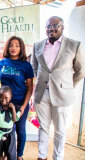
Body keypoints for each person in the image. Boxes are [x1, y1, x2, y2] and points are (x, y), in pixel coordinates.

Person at [31, 16, 85, 160]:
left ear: (62, 27)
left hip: (62, 94)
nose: (51, 29)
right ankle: (42, 156)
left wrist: (68, 86)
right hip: (42, 93)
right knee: (43, 127)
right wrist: (41, 80)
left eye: (55, 26)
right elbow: (35, 66)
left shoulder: (74, 45)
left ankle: (58, 157)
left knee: (60, 129)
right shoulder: (38, 45)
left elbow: (80, 71)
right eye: (48, 26)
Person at [0, 36, 34, 160]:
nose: (13, 48)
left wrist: (23, 106)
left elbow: (29, 88)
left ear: (21, 48)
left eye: (17, 45)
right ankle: (7, 154)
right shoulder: (2, 63)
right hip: (4, 102)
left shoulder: (26, 65)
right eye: (11, 45)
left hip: (19, 102)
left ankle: (19, 155)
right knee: (6, 129)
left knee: (20, 130)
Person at [0, 86, 21, 160]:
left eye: (6, 98)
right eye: (1, 97)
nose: (3, 100)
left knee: (11, 153)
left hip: (9, 134)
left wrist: (13, 108)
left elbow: (14, 120)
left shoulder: (14, 108)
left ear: (11, 97)